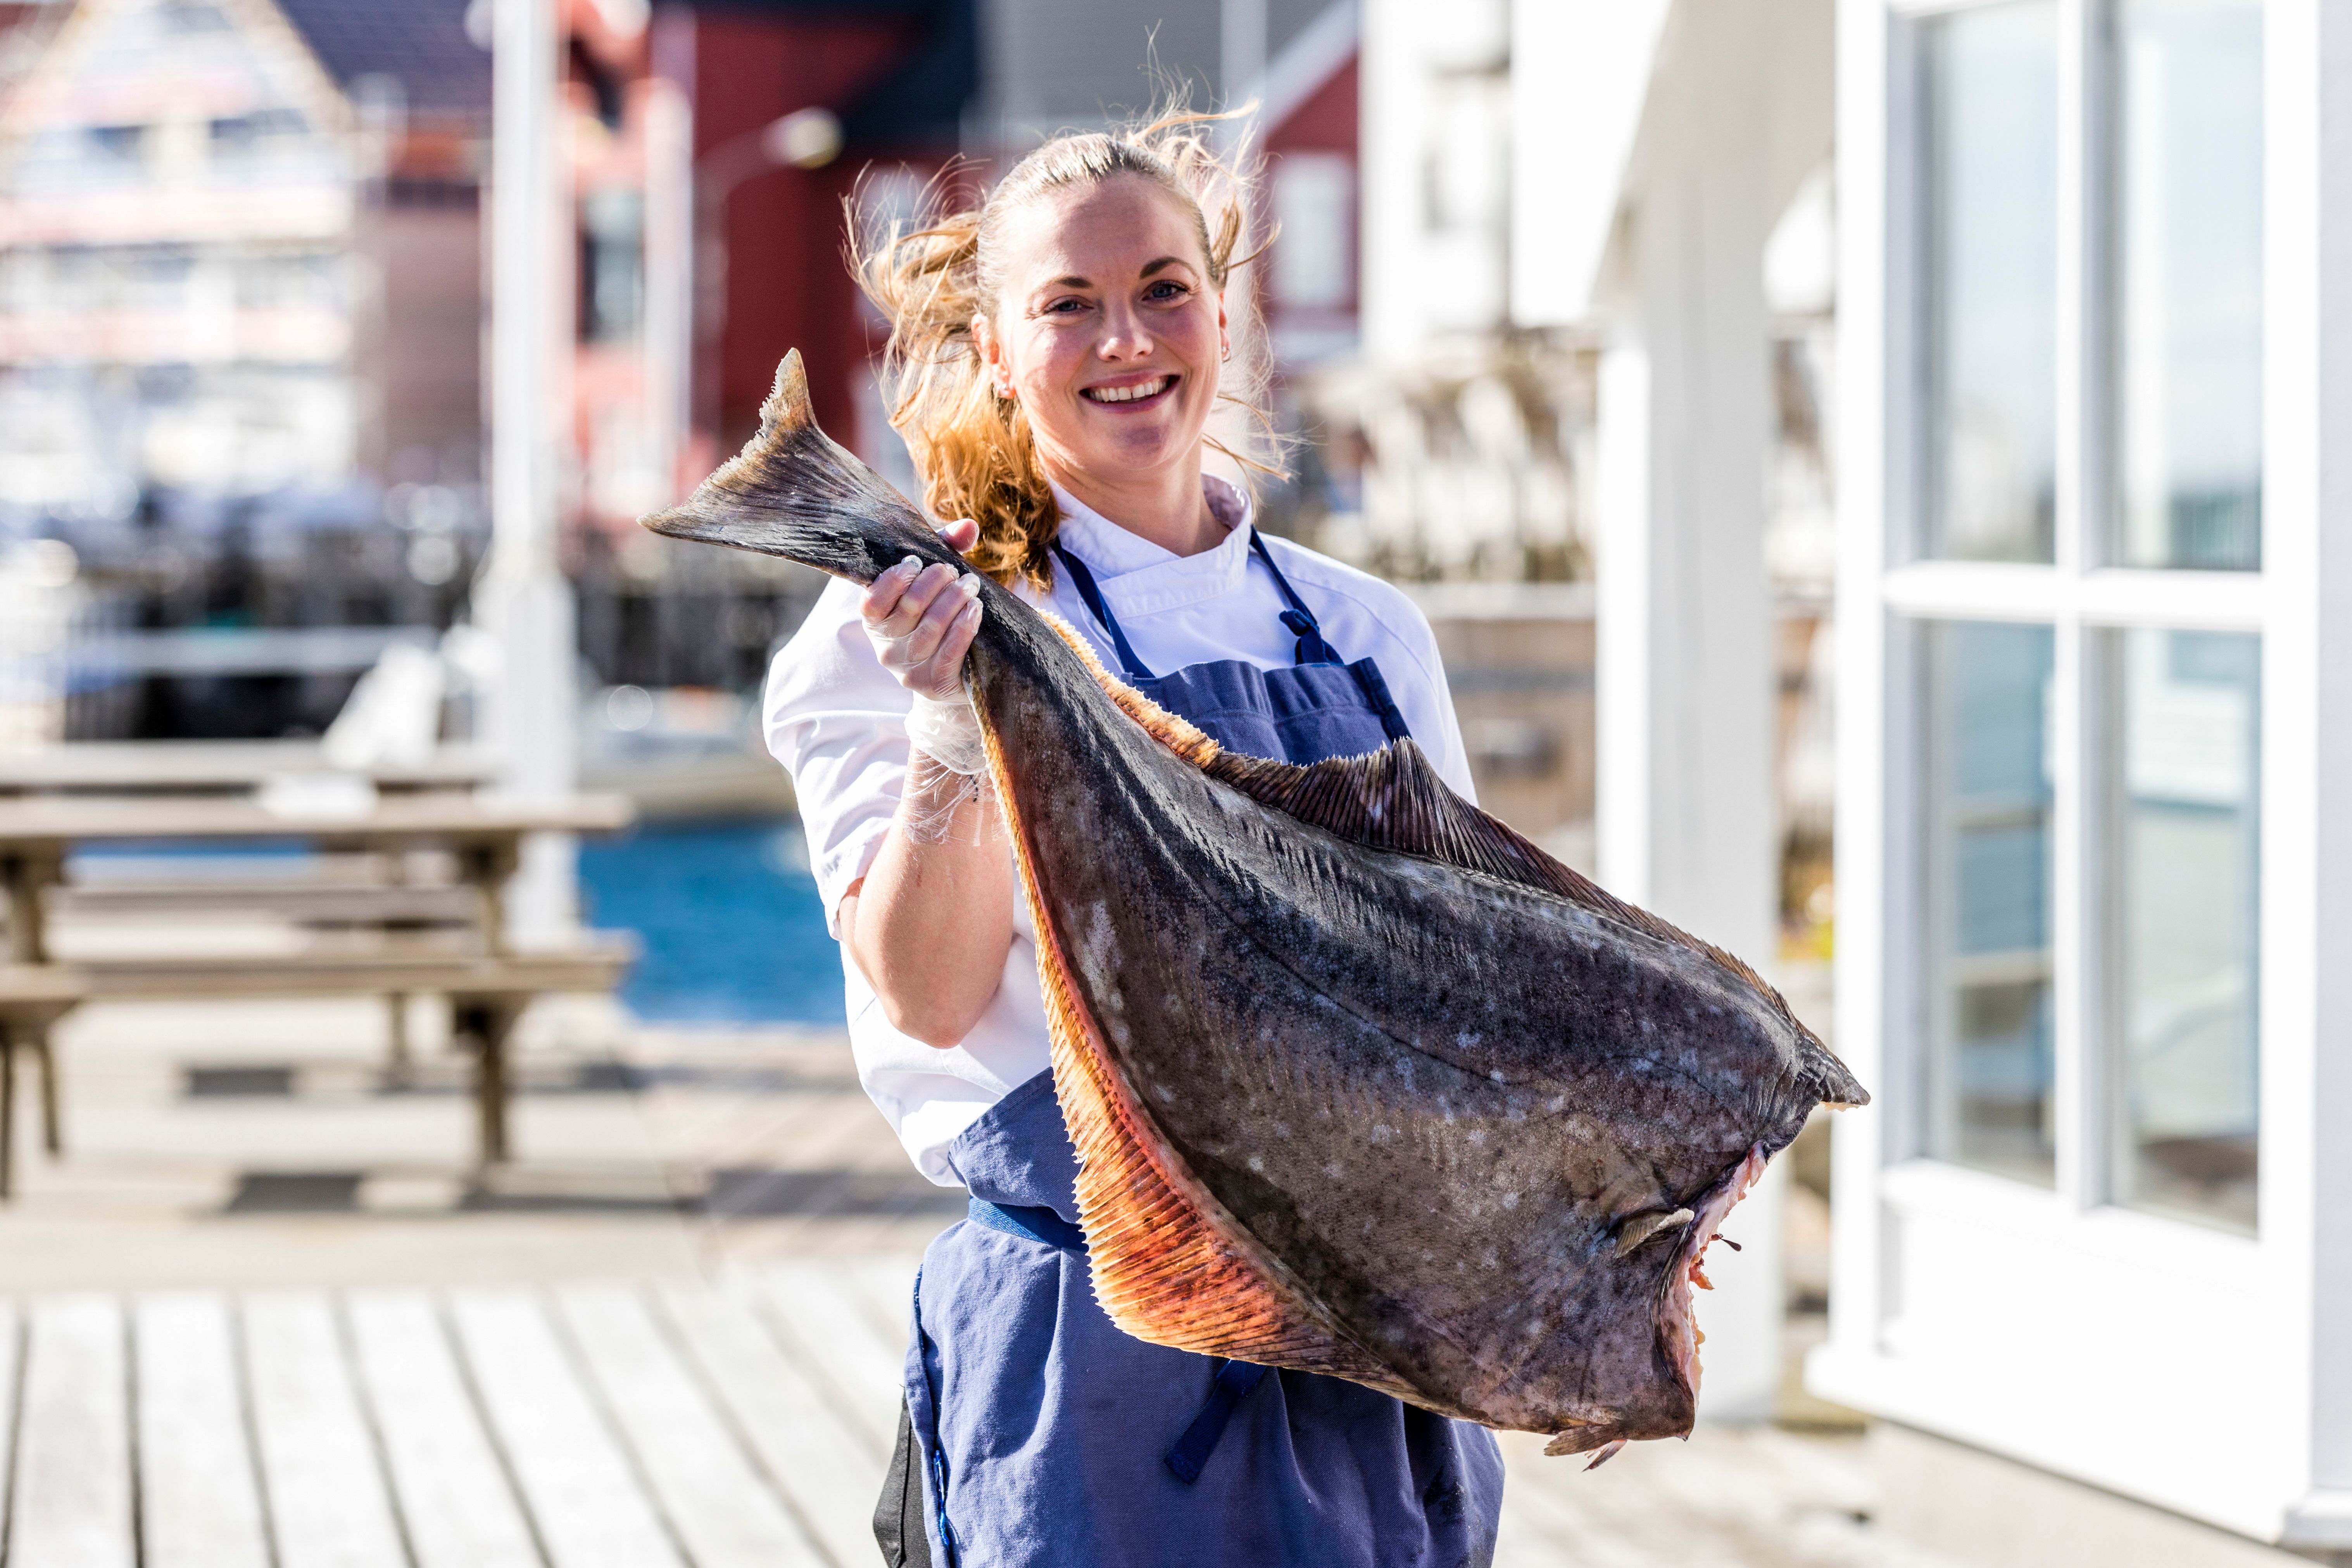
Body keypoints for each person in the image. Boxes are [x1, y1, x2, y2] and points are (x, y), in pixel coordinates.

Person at [764, 107, 1505, 1568]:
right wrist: (956, 715)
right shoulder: (881, 637)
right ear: (995, 352)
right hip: (1096, 1368)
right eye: (1067, 305)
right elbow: (923, 991)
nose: (1127, 340)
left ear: (1221, 314)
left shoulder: (1364, 636)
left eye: (1163, 287)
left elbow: (1460, 992)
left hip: (1372, 1352)